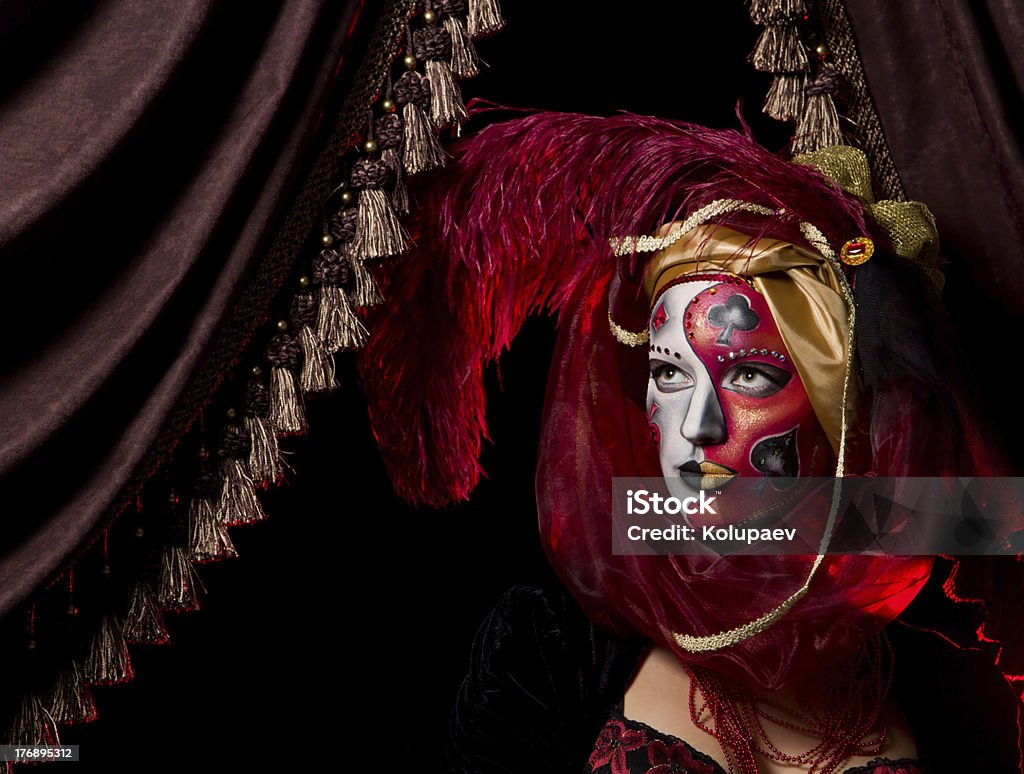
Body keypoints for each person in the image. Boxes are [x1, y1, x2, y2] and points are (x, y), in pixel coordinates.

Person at [357, 111, 1024, 772]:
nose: (698, 427)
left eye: (752, 375)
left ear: (838, 404)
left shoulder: (946, 663)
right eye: (670, 373)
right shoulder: (550, 647)